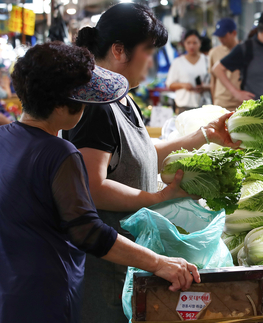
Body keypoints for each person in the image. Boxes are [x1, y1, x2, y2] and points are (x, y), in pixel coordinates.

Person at [0, 42, 200, 323]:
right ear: (61, 104)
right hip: (46, 297)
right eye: (83, 99)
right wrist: (159, 263)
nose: (86, 106)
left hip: (9, 292)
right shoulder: (60, 153)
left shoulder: (5, 137)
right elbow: (88, 232)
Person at [63, 4, 239, 323]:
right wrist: (156, 198)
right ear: (119, 50)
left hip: (131, 257)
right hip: (106, 263)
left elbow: (144, 154)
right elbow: (92, 186)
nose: (153, 61)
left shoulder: (123, 98)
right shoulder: (97, 106)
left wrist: (204, 135)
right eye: (148, 51)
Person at [167, 30, 212, 113]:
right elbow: (169, 84)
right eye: (188, 43)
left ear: (200, 43)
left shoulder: (207, 60)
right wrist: (183, 85)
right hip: (183, 107)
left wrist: (205, 87)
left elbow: (216, 84)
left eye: (195, 43)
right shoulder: (178, 62)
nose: (192, 46)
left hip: (204, 107)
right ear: (184, 43)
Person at [208, 18, 242, 110]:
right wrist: (214, 103)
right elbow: (213, 81)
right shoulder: (214, 53)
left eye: (223, 36)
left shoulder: (244, 51)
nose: (220, 39)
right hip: (221, 103)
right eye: (219, 36)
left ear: (234, 33)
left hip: (240, 103)